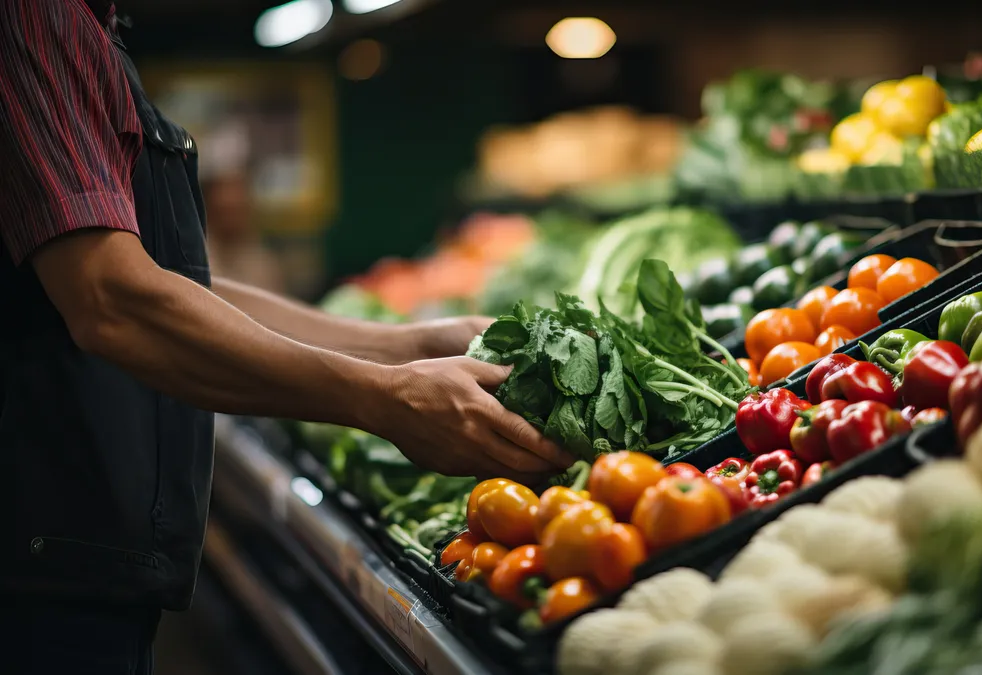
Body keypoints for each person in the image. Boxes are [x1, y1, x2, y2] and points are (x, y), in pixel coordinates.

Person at [0, 1, 570, 672]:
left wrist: (407, 347)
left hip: (65, 553)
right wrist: (384, 397)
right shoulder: (34, 17)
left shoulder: (90, 28)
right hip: (31, 572)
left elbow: (167, 283)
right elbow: (112, 299)